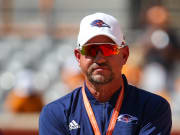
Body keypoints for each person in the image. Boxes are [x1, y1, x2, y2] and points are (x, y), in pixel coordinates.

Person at [39, 12, 172, 135]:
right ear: (78, 57)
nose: (100, 58)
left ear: (124, 55)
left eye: (108, 49)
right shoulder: (55, 113)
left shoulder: (153, 108)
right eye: (90, 49)